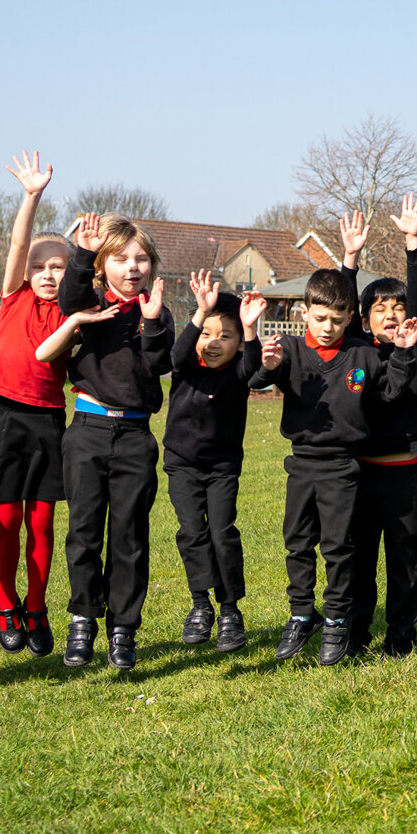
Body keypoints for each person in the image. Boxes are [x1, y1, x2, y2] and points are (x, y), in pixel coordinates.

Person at [250, 265, 417, 665]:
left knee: (339, 548)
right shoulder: (290, 351)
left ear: (350, 321)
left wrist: (402, 351)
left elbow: (392, 390)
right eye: (321, 318)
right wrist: (267, 364)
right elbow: (254, 380)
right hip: (301, 465)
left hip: (345, 467)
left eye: (337, 320)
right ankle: (301, 613)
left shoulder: (360, 355)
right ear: (304, 312)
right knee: (296, 543)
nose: (328, 327)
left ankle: (338, 620)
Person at [40, 212, 170, 671]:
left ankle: (123, 629)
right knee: (84, 532)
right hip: (89, 432)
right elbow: (70, 296)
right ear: (103, 267)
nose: (132, 267)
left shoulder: (157, 312)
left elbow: (157, 365)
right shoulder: (92, 301)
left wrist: (152, 323)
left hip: (135, 436)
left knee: (130, 537)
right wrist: (82, 254)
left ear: (151, 266)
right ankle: (83, 619)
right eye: (120, 259)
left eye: (141, 259)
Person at [0, 151, 69, 659]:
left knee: (42, 522)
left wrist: (90, 258)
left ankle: (37, 605)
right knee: (7, 517)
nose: (47, 274)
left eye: (57, 267)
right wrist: (31, 196)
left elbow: (93, 286)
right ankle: (6, 602)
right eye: (40, 266)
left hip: (49, 422)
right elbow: (16, 243)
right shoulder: (13, 296)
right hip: (4, 418)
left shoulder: (73, 312)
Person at [340, 199, 417, 658]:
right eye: (380, 309)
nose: (392, 314)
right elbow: (337, 307)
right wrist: (350, 260)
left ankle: (401, 637)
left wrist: (412, 244)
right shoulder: (355, 351)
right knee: (359, 564)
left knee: (404, 561)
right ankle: (356, 635)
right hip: (359, 474)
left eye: (398, 307)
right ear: (364, 320)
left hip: (404, 474)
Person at [164, 269, 267, 654]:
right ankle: (200, 605)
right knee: (192, 533)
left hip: (222, 467)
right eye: (206, 334)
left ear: (238, 344)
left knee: (222, 534)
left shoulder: (239, 373)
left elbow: (255, 369)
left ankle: (229, 610)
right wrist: (199, 313)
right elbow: (176, 354)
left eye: (225, 336)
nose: (213, 342)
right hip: (182, 463)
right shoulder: (186, 365)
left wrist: (250, 329)